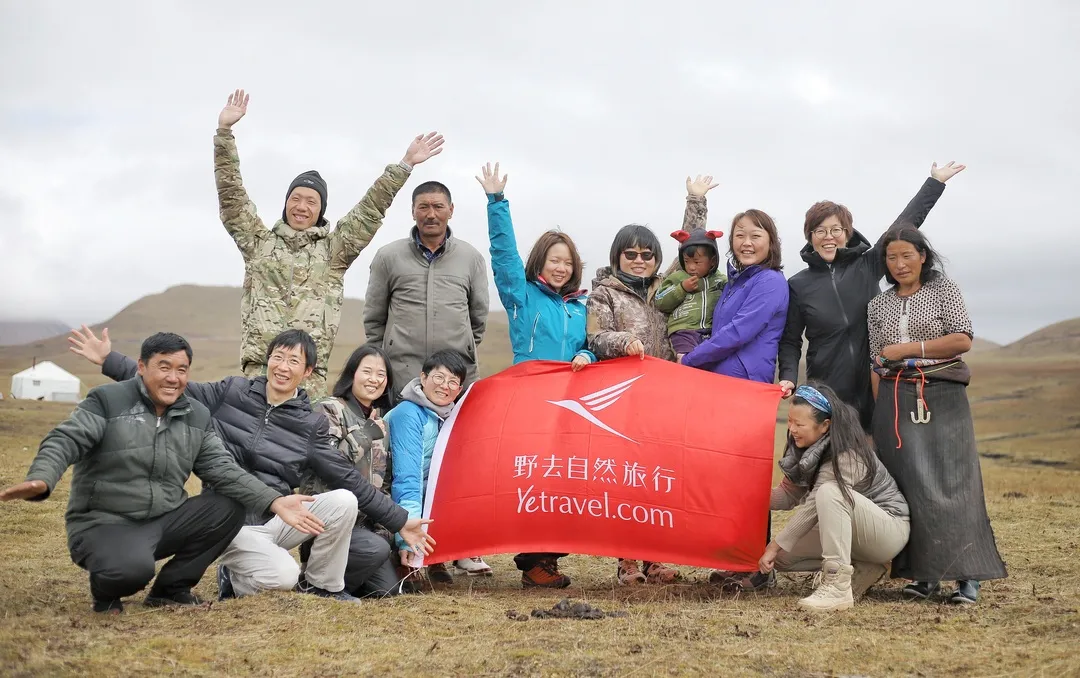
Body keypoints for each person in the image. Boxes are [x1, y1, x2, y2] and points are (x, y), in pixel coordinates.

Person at [68, 326, 433, 603]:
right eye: (278, 356)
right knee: (283, 574)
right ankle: (237, 576)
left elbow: (344, 476)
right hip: (225, 521)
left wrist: (400, 520)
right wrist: (108, 360)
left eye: (294, 361)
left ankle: (322, 586)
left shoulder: (310, 423)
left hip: (277, 520)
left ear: (307, 372)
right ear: (268, 359)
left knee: (344, 501)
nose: (283, 366)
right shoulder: (230, 392)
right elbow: (172, 384)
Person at [0, 332, 321, 614]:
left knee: (226, 505)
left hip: (160, 519)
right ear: (142, 368)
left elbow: (222, 468)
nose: (173, 378)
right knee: (134, 572)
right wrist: (42, 478)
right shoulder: (107, 401)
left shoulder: (195, 416)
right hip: (104, 523)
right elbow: (67, 438)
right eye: (163, 367)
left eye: (181, 370)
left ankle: (170, 590)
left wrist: (275, 502)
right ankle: (106, 591)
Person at [214, 88, 445, 398]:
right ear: (285, 204)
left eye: (311, 201)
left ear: (320, 210)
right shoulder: (259, 243)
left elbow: (369, 210)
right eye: (295, 199)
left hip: (309, 381)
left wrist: (404, 165)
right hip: (259, 373)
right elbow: (232, 196)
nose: (301, 206)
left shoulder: (333, 251)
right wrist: (225, 132)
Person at [868, 229, 1006, 605]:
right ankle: (925, 576)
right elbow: (876, 362)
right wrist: (881, 412)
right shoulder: (877, 305)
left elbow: (962, 339)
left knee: (953, 483)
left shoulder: (944, 290)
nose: (899, 265)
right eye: (892, 258)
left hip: (942, 394)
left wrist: (908, 348)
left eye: (907, 256)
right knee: (912, 485)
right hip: (896, 398)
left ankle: (968, 576)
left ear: (923, 256)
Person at [777, 162, 967, 430]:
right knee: (832, 461)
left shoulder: (867, 265)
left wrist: (934, 183)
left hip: (879, 381)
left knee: (884, 455)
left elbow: (904, 225)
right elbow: (790, 340)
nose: (828, 237)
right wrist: (788, 377)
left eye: (835, 230)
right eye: (819, 231)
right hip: (828, 387)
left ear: (847, 233)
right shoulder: (798, 284)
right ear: (810, 237)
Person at [587, 184, 710, 585]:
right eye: (631, 254)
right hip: (625, 402)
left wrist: (696, 201)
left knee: (661, 478)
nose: (640, 260)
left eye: (647, 254)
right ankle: (626, 561)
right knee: (628, 480)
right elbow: (595, 338)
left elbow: (691, 246)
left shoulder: (667, 286)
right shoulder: (603, 294)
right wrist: (625, 342)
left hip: (667, 399)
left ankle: (656, 558)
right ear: (617, 257)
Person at [479, 162, 594, 588]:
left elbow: (589, 346)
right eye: (554, 260)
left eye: (568, 262)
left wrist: (585, 352)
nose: (562, 268)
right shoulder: (520, 296)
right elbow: (504, 255)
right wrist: (496, 203)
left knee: (563, 482)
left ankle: (547, 557)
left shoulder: (580, 307)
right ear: (541, 262)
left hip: (571, 403)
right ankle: (533, 562)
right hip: (529, 401)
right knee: (532, 477)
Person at [757, 383, 910, 612]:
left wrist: (775, 544)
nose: (792, 429)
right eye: (789, 421)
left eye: (799, 424)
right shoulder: (803, 446)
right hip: (851, 529)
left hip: (888, 529)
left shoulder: (850, 452)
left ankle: (837, 586)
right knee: (781, 559)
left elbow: (813, 506)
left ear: (825, 425)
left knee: (830, 491)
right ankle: (864, 565)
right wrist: (741, 496)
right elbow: (787, 496)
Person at [299, 344, 408, 597]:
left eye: (381, 374)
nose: (374, 379)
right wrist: (367, 433)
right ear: (352, 374)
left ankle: (338, 582)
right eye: (367, 371)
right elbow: (330, 462)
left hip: (365, 528)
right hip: (329, 522)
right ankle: (313, 583)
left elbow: (386, 483)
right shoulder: (328, 409)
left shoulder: (381, 421)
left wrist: (384, 532)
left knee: (387, 589)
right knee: (375, 550)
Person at [363, 178, 489, 392]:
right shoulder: (388, 257)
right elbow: (374, 319)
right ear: (413, 211)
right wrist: (381, 364)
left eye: (438, 206)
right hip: (402, 376)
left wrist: (462, 348)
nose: (431, 214)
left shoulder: (471, 258)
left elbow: (478, 318)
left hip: (456, 377)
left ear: (450, 210)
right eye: (423, 207)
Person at [386, 349, 491, 583]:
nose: (445, 386)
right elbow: (406, 478)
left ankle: (443, 555)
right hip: (389, 499)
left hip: (423, 494)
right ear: (423, 378)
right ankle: (407, 552)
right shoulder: (409, 414)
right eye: (439, 377)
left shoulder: (447, 415)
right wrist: (407, 538)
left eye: (453, 382)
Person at [654, 227, 727, 361]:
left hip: (712, 331)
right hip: (684, 330)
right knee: (686, 359)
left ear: (712, 261)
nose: (691, 267)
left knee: (708, 362)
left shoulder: (721, 280)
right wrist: (681, 288)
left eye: (697, 262)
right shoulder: (677, 278)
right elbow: (660, 300)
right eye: (687, 261)